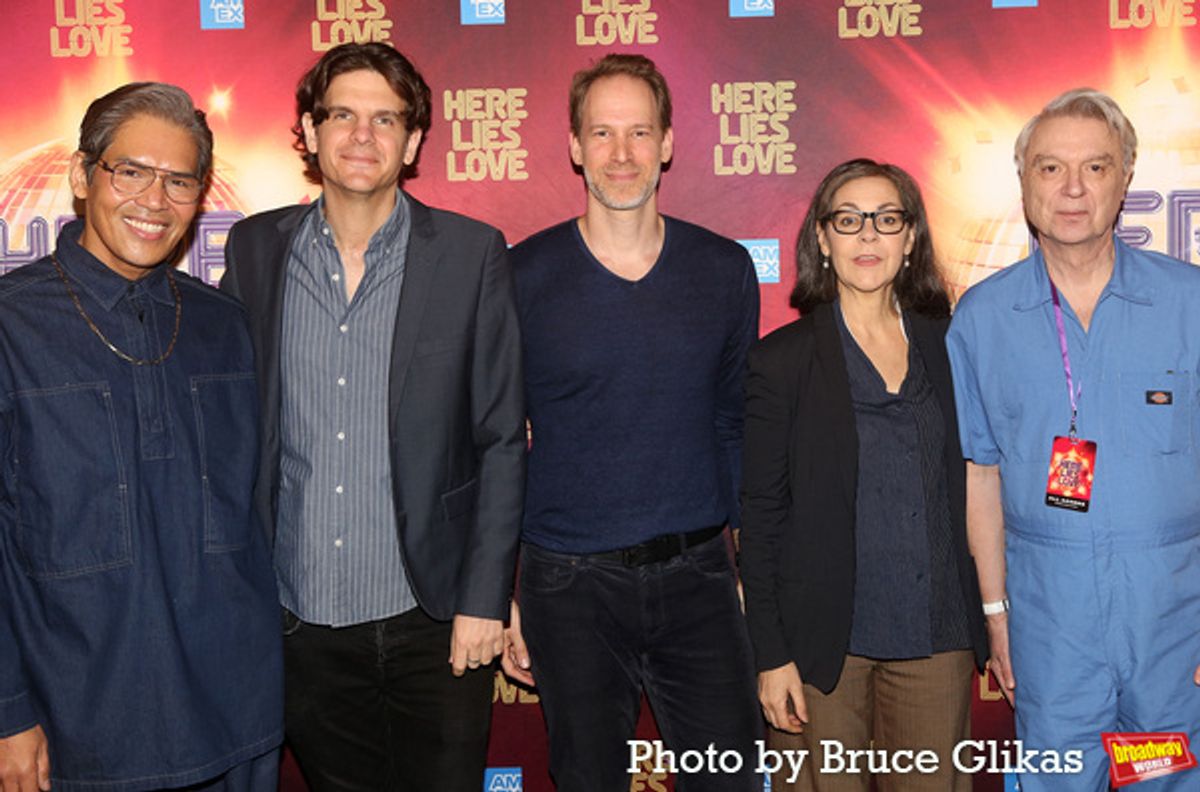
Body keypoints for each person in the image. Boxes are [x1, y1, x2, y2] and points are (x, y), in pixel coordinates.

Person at [220, 43, 524, 791]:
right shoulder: (256, 248)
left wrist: (484, 599)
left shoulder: (470, 253)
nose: (363, 136)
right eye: (343, 115)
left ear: (414, 140)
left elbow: (500, 441)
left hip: (436, 619)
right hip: (301, 620)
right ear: (310, 129)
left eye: (386, 119)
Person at [0, 82, 282, 792]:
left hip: (237, 717)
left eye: (180, 179)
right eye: (131, 171)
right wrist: (7, 710)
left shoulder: (225, 326)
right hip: (78, 727)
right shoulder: (13, 324)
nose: (155, 200)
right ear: (81, 174)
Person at [501, 53, 762, 791]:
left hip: (701, 580)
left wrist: (749, 573)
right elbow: (495, 445)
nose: (622, 155)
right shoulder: (523, 277)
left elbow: (732, 425)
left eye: (640, 133)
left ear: (669, 143)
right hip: (567, 587)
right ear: (576, 146)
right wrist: (503, 590)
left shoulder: (723, 270)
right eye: (603, 134)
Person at [947, 88, 1200, 789]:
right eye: (1051, 168)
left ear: (1126, 179)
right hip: (1049, 619)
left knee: (1168, 774)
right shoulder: (983, 319)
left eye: (1095, 167)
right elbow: (981, 476)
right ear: (1024, 179)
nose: (1072, 189)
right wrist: (997, 618)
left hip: (1175, 618)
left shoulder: (1190, 303)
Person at [739, 159, 988, 791]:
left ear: (911, 239)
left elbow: (983, 480)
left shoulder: (952, 345)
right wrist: (772, 654)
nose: (868, 236)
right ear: (822, 239)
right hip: (821, 645)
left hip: (936, 634)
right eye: (848, 221)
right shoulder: (781, 362)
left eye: (887, 219)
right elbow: (761, 519)